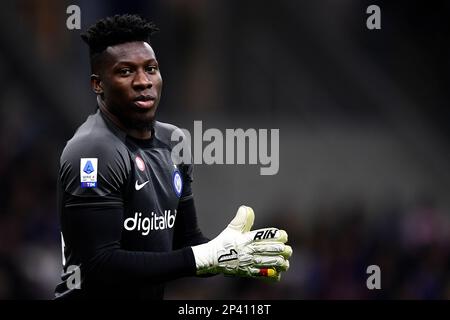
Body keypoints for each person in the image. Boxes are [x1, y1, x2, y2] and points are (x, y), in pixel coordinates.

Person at [54, 14, 292, 299]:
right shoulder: (93, 151)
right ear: (98, 84)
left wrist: (230, 253)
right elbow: (99, 265)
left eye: (151, 69)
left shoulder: (173, 142)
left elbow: (187, 243)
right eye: (126, 71)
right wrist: (202, 257)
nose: (143, 81)